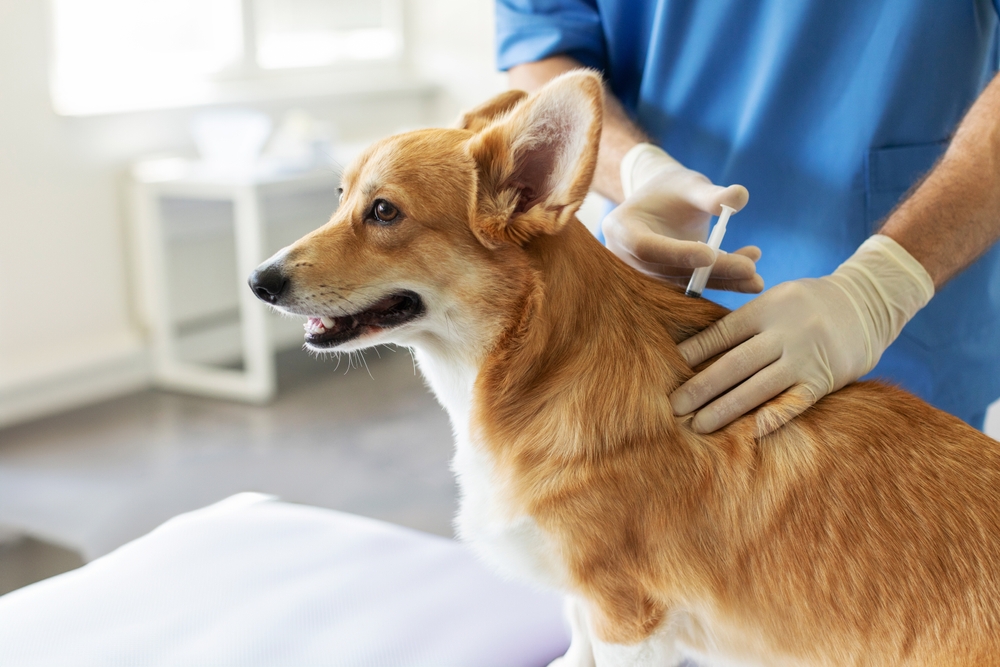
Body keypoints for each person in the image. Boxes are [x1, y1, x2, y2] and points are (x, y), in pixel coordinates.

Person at [496, 1, 1000, 434]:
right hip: (652, 306)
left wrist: (880, 289)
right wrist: (636, 170)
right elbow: (541, 51)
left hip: (905, 315)